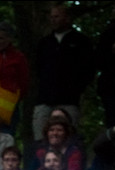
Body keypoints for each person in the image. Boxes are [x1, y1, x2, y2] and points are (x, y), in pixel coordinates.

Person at [33, 3, 96, 140]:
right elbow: (37, 69)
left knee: (69, 139)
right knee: (40, 138)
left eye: (57, 16)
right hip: (44, 99)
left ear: (67, 18)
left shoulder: (81, 41)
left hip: (69, 100)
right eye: (51, 17)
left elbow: (89, 70)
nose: (53, 20)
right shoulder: (44, 43)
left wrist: (76, 89)